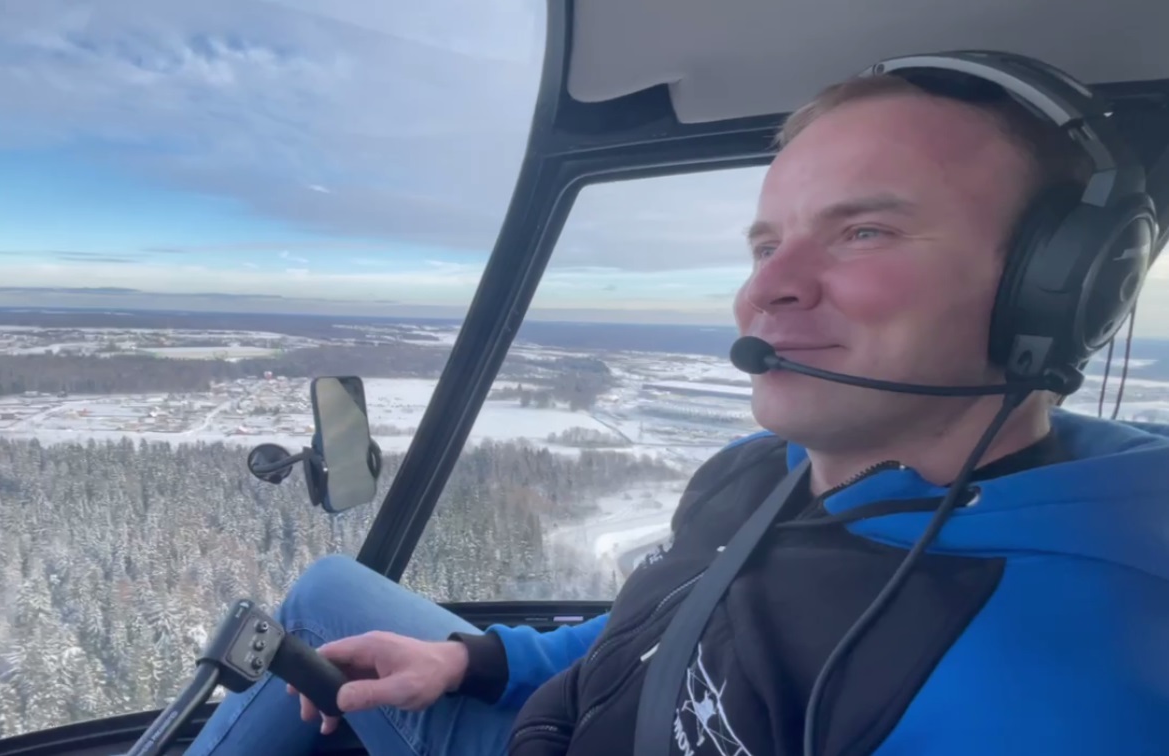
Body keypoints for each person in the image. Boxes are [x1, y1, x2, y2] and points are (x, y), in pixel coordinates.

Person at [184, 61, 1169, 756]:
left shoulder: (1046, 686)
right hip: (541, 724)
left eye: (864, 229)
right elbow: (658, 626)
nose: (763, 296)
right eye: (764, 245)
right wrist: (471, 661)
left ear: (1058, 288)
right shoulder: (761, 471)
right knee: (325, 593)